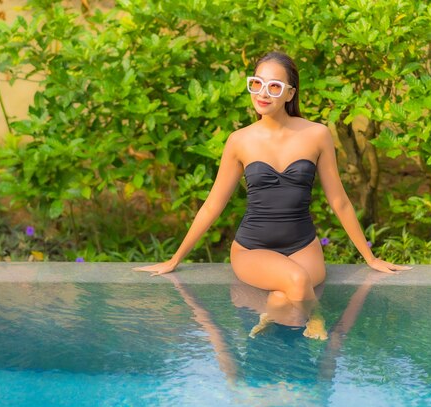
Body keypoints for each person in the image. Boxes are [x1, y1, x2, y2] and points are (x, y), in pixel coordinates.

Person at [134, 51, 411, 339]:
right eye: (257, 84)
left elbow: (338, 200)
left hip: (304, 247)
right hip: (252, 249)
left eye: (274, 86)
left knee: (283, 299)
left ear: (290, 93)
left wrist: (371, 258)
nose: (263, 94)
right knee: (295, 280)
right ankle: (316, 319)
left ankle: (275, 361)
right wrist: (174, 259)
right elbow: (213, 205)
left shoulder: (317, 135)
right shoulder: (239, 141)